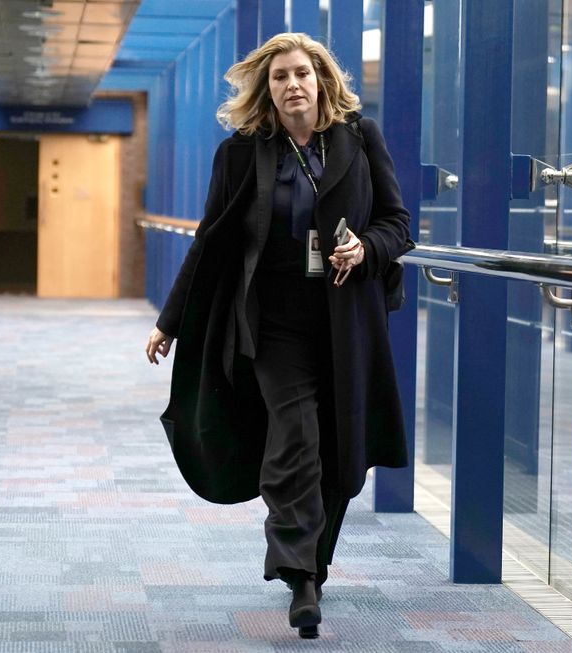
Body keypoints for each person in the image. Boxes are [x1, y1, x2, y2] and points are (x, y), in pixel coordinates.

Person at [145, 32, 412, 639]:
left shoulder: (360, 139)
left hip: (346, 320)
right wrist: (170, 322)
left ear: (322, 80)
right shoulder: (241, 154)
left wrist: (365, 247)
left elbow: (398, 224)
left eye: (301, 74)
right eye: (279, 78)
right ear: (266, 91)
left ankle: (313, 563)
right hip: (273, 322)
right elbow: (209, 244)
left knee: (341, 456)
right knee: (293, 437)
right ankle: (299, 575)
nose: (292, 85)